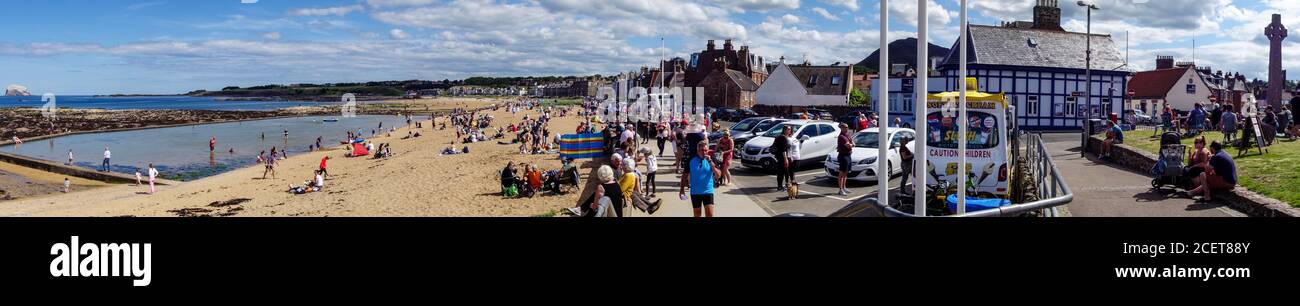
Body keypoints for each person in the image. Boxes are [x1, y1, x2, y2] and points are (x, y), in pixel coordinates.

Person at [680, 141, 719, 217]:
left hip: (708, 191)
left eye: (706, 150)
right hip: (695, 192)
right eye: (702, 150)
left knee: (710, 214)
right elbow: (684, 175)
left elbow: (718, 175)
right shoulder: (691, 160)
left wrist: (711, 163)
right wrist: (682, 189)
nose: (704, 152)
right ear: (698, 151)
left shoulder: (711, 159)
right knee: (697, 214)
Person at [835, 123, 854, 196]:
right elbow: (848, 146)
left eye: (847, 127)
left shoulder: (847, 135)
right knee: (841, 173)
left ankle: (844, 187)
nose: (847, 128)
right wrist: (851, 145)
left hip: (848, 155)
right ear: (842, 128)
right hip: (843, 156)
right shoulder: (842, 137)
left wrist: (851, 145)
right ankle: (840, 190)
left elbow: (852, 143)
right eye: (845, 127)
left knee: (846, 173)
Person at [771, 126, 791, 191]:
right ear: (785, 130)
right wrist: (786, 159)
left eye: (790, 129)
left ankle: (780, 186)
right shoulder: (783, 138)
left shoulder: (779, 137)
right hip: (782, 157)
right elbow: (783, 150)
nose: (790, 130)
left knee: (781, 172)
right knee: (784, 172)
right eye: (789, 129)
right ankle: (782, 186)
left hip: (779, 157)